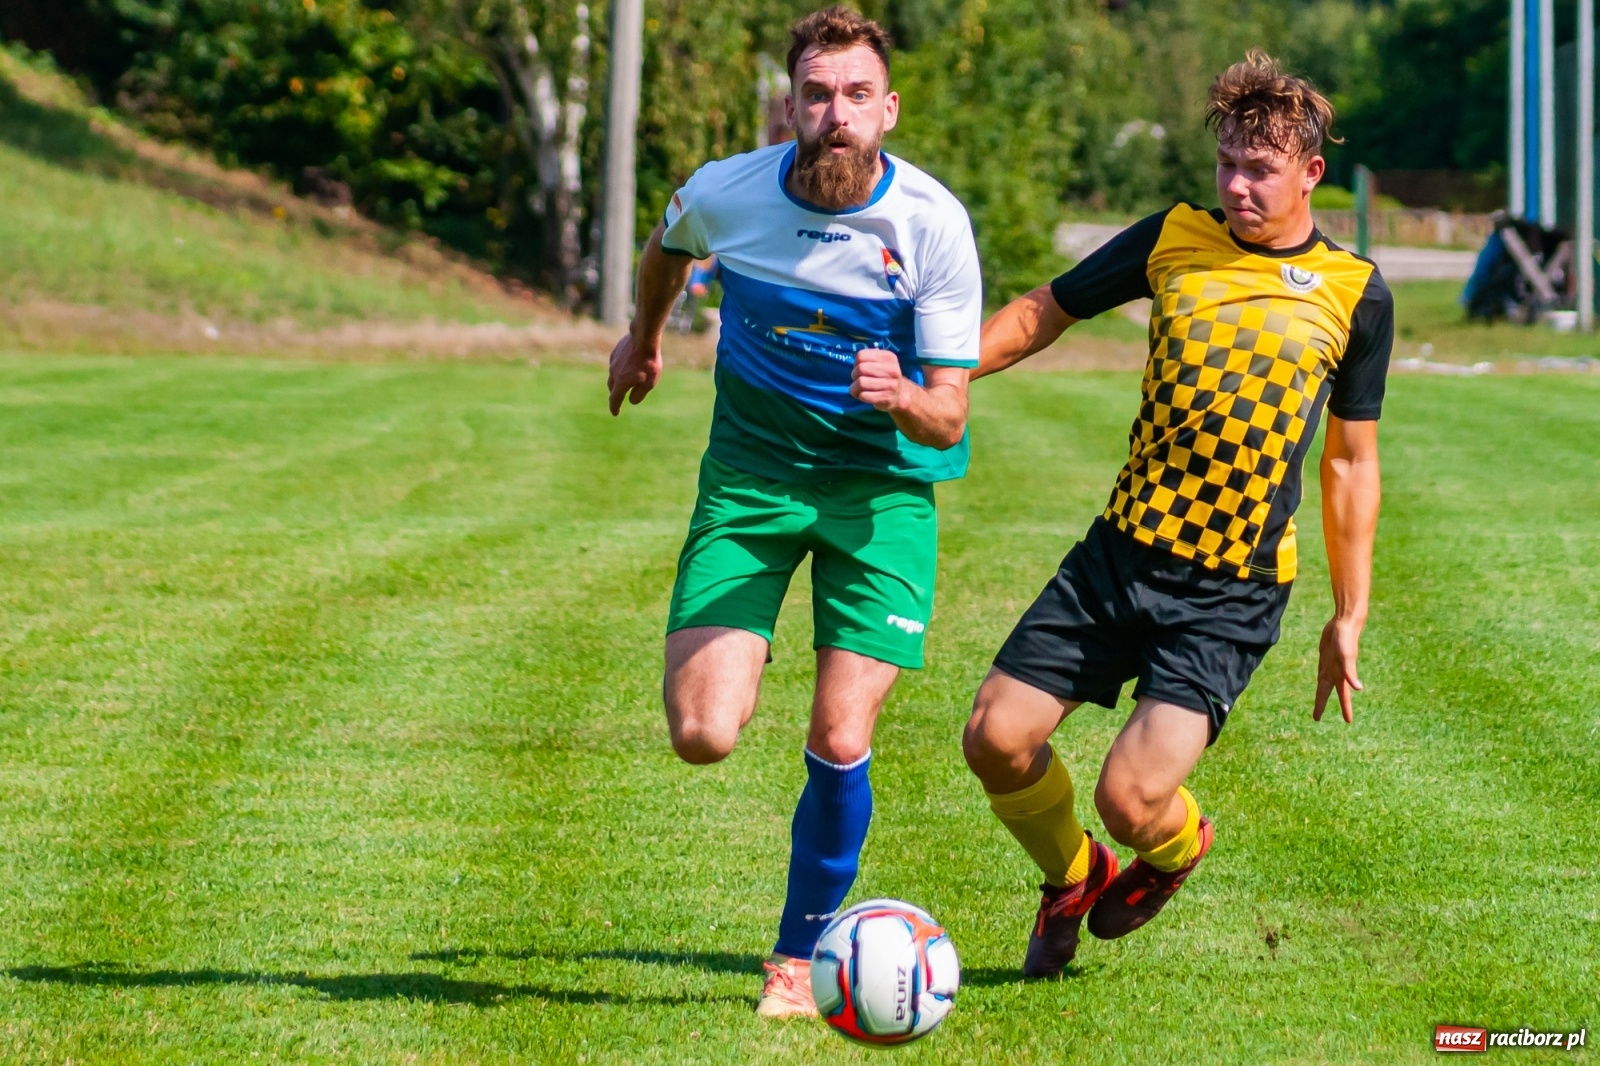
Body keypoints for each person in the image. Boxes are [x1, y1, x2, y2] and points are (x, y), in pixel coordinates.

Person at [961, 50, 1392, 978]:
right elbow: (1050, 307)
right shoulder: (1173, 236)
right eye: (1228, 163)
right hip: (1119, 555)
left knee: (1132, 799)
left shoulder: (1357, 293)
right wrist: (945, 375)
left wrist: (1349, 614)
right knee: (995, 739)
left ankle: (1175, 845)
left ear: (1311, 173)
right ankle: (1074, 877)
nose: (1238, 184)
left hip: (1229, 591)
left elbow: (1352, 462)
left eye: (1261, 169)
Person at [605, 6, 982, 1016]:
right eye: (816, 95)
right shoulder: (727, 191)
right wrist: (644, 336)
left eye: (856, 95)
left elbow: (949, 414)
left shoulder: (932, 225)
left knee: (840, 730)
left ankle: (795, 962)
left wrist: (900, 392)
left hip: (880, 494)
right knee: (701, 733)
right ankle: (749, 639)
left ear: (887, 110)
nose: (835, 115)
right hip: (754, 479)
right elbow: (665, 244)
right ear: (790, 106)